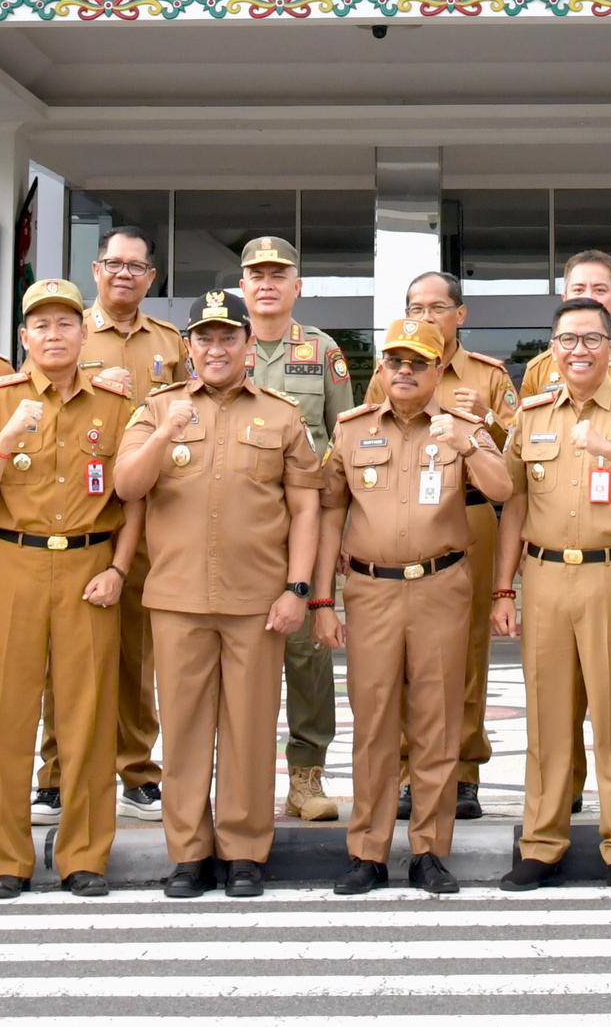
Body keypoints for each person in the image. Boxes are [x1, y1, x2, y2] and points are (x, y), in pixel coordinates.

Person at [109, 292, 319, 897]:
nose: (216, 348)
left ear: (249, 347)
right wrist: (165, 431)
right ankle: (189, 852)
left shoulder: (280, 415)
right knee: (185, 728)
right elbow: (128, 486)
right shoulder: (157, 408)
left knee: (251, 729)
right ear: (190, 347)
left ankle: (245, 850)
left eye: (229, 337)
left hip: (257, 601)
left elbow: (305, 505)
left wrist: (298, 588)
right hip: (177, 598)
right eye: (204, 338)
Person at [325, 318, 520, 893]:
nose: (404, 372)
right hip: (370, 590)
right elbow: (330, 510)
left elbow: (504, 488)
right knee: (374, 723)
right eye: (394, 361)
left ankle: (430, 851)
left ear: (439, 370)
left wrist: (467, 442)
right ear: (380, 370)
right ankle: (368, 851)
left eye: (418, 363)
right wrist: (319, 598)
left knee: (436, 723)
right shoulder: (352, 430)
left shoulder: (463, 426)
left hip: (440, 586)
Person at [493, 294, 611, 892]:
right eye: (568, 340)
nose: (579, 350)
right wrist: (504, 587)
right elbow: (513, 499)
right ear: (553, 349)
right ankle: (541, 842)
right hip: (545, 575)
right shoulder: (533, 413)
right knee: (548, 716)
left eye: (591, 339)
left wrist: (610, 448)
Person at [0, 278, 130, 896]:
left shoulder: (114, 405)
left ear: (85, 334)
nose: (53, 336)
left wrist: (120, 569)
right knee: (4, 714)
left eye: (65, 324)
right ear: (23, 336)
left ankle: (84, 855)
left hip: (89, 566)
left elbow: (135, 503)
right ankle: (6, 859)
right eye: (41, 326)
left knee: (87, 717)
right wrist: (6, 439)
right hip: (14, 562)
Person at [233, 238, 351, 826]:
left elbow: (345, 444)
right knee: (236, 654)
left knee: (306, 656)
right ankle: (240, 779)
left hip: (308, 528)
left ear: (297, 285)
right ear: (243, 285)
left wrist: (343, 535)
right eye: (256, 275)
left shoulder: (323, 352)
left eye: (278, 274)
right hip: (238, 530)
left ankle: (306, 778)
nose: (267, 284)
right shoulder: (218, 344)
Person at [398, 269, 521, 821]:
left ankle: (465, 770)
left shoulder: (490, 376)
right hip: (408, 520)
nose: (425, 318)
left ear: (460, 315)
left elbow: (523, 455)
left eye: (436, 308)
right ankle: (408, 771)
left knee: (467, 652)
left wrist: (488, 419)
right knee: (407, 653)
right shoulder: (394, 368)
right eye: (415, 307)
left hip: (473, 514)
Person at [71, 234, 184, 808]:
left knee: (137, 647)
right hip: (77, 505)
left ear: (151, 275)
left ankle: (137, 767)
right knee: (67, 647)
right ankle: (56, 769)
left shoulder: (169, 343)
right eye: (114, 263)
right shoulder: (68, 329)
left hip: (149, 505)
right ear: (96, 269)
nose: (123, 274)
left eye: (135, 266)